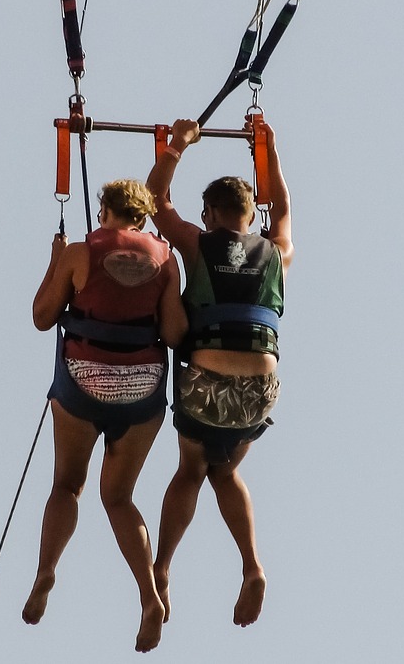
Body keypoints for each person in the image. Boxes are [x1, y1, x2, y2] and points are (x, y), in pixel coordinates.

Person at [27, 178, 188, 654]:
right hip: (141, 392)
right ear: (142, 217)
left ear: (105, 213)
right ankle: (148, 597)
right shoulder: (166, 260)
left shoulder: (80, 253)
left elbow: (41, 316)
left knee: (66, 486)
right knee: (118, 498)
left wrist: (55, 263)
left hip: (84, 383)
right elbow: (176, 333)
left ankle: (46, 571)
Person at [144, 117, 293, 628]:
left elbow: (155, 202)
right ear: (251, 214)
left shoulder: (197, 243)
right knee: (225, 469)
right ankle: (252, 565)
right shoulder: (277, 251)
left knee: (191, 470)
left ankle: (161, 567)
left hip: (206, 384)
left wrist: (177, 146)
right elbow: (286, 211)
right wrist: (268, 151)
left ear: (209, 214)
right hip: (260, 390)